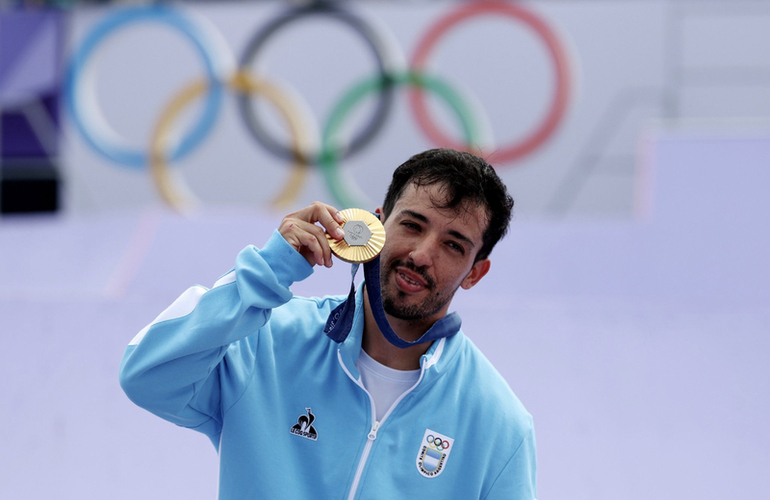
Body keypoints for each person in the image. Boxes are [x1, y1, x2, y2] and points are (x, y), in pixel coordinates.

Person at [119, 148, 537, 499]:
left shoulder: (498, 423)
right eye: (411, 225)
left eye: (452, 244)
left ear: (475, 272)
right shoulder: (267, 340)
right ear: (375, 224)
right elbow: (146, 375)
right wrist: (267, 273)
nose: (422, 254)